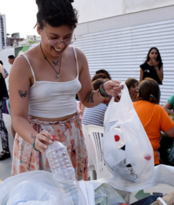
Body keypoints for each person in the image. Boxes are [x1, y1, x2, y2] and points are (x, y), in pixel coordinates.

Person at [9, 0, 122, 179]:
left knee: (72, 194)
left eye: (67, 37)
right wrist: (35, 138)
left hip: (72, 137)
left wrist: (103, 92)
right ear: (39, 29)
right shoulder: (23, 64)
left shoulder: (78, 57)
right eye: (53, 37)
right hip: (40, 141)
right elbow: (17, 117)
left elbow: (86, 99)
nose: (61, 45)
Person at [133, 78, 174, 165]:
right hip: (149, 160)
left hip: (128, 157)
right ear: (158, 95)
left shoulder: (129, 107)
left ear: (138, 94)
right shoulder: (158, 109)